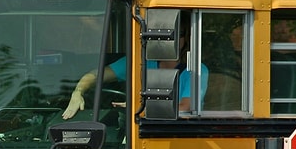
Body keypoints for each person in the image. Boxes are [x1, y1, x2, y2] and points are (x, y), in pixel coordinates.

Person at [62, 20, 208, 119]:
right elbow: (95, 75)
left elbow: (185, 108)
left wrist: (139, 108)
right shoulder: (141, 62)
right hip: (136, 127)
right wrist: (78, 92)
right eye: (167, 33)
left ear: (187, 38)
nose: (172, 39)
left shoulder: (195, 70)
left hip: (174, 133)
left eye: (179, 34)